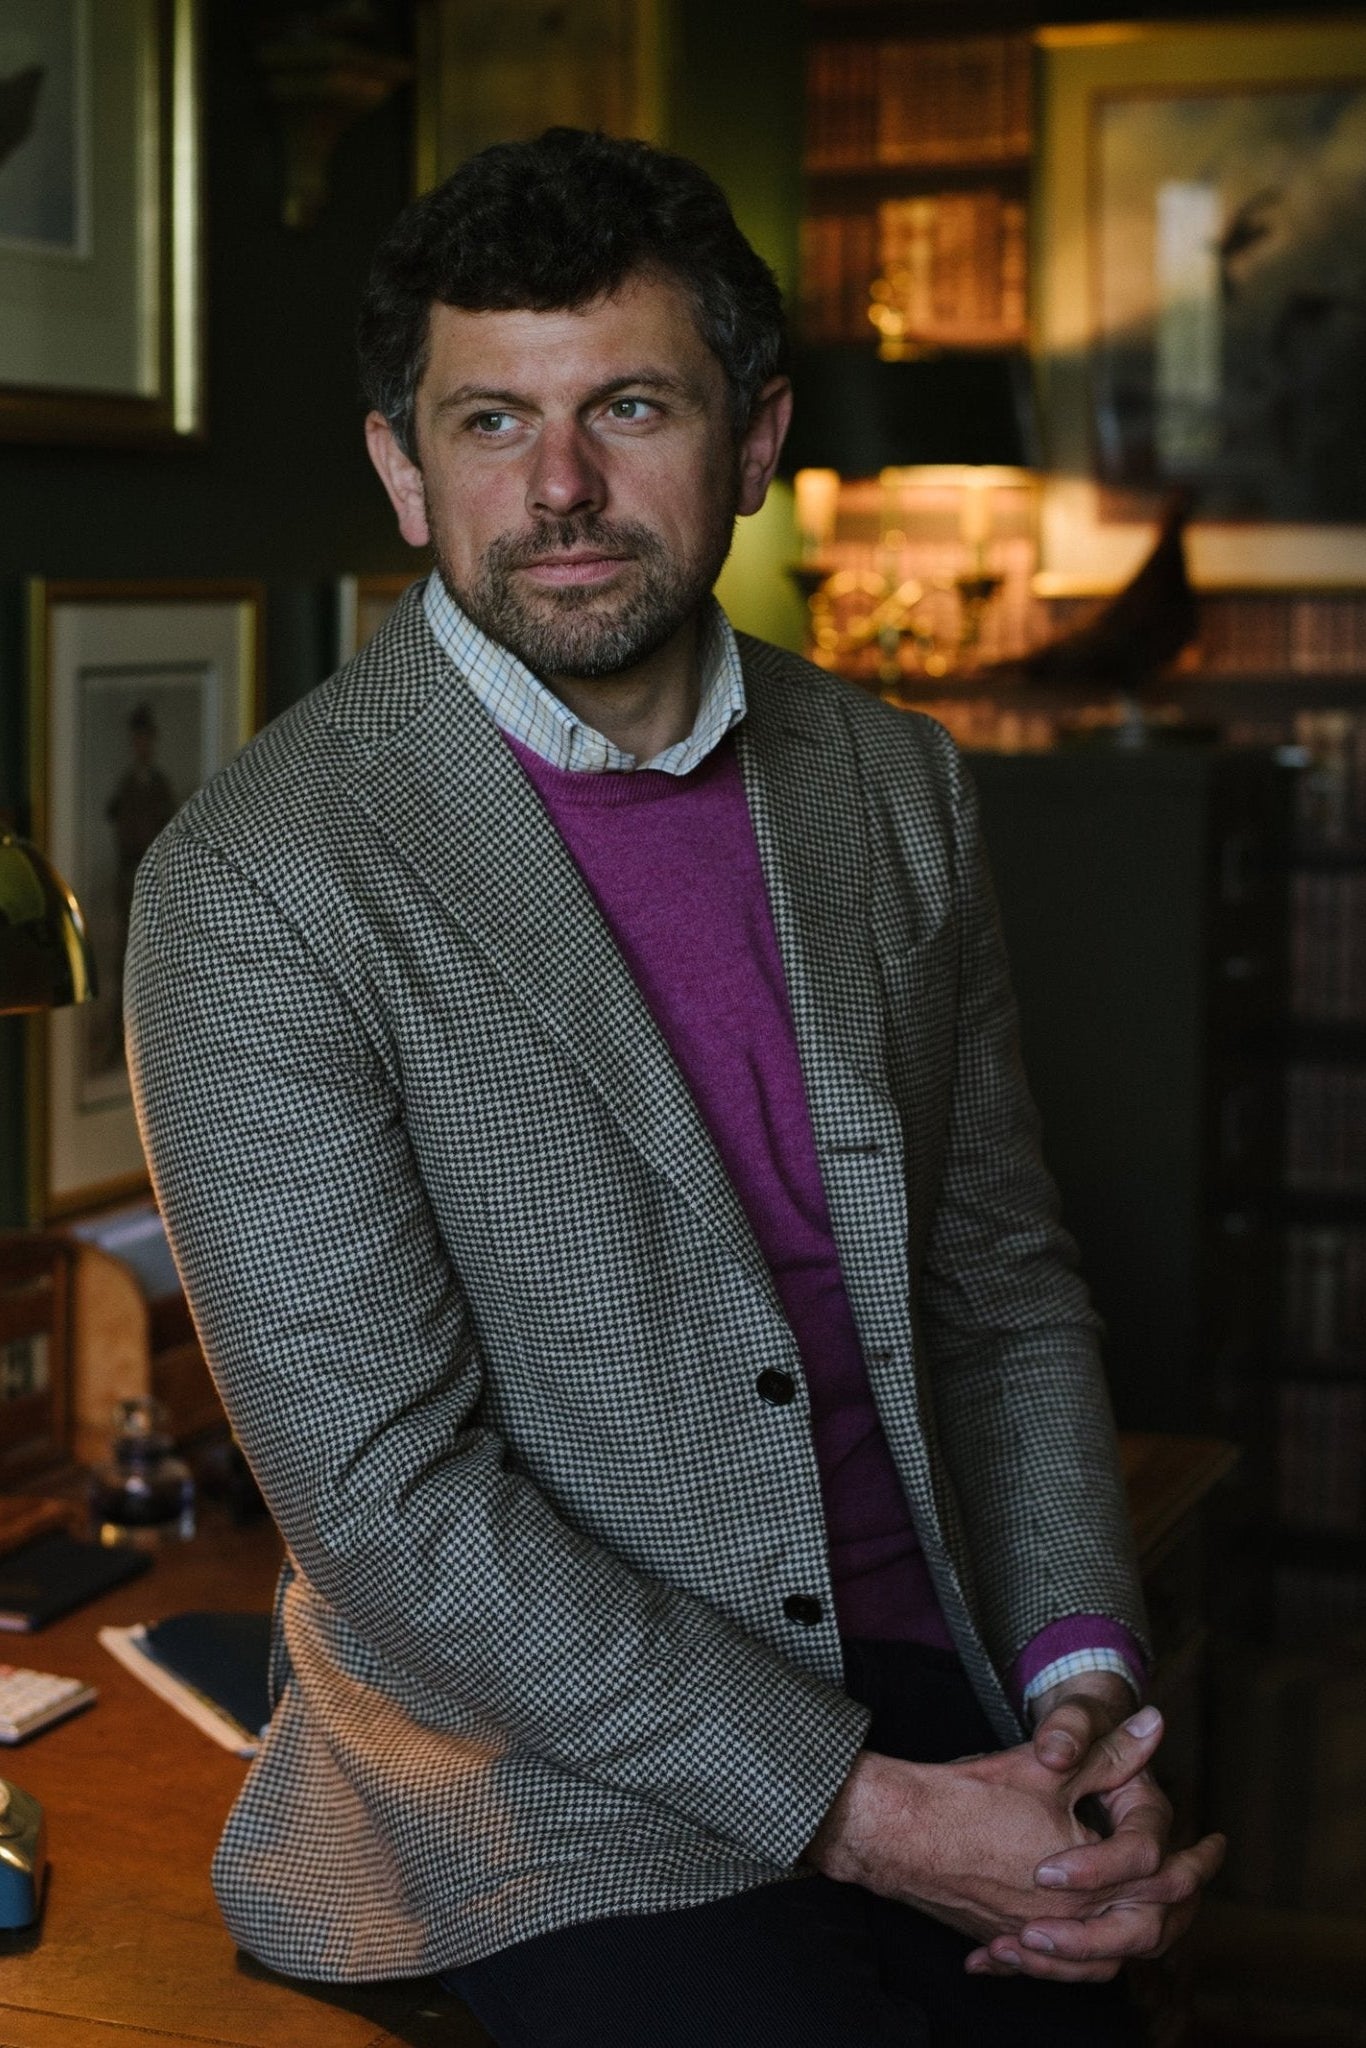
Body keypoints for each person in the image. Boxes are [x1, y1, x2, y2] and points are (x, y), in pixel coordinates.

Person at [125, 128, 1222, 2046]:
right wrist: (870, 1815)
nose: (557, 488)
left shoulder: (893, 786)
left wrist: (1080, 1686)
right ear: (402, 467)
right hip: (542, 1774)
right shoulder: (262, 883)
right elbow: (388, 1505)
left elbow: (1002, 1294)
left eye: (627, 406)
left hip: (938, 1660)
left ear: (754, 433)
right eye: (487, 422)